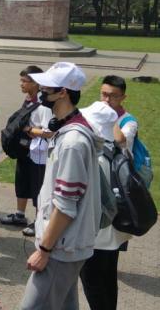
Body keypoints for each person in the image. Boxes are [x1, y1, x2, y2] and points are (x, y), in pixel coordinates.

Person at [20, 62, 102, 310]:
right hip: (66, 244)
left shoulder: (72, 143)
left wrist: (44, 249)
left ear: (63, 92)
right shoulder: (69, 131)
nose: (41, 90)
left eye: (46, 86)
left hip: (60, 248)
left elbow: (66, 205)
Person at [78, 91, 133, 310]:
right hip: (114, 233)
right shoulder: (117, 150)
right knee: (108, 281)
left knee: (94, 285)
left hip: (96, 235)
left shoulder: (96, 157)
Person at [0, 66, 53, 237]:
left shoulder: (44, 105)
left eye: (25, 81)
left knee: (38, 187)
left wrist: (28, 129)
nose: (21, 84)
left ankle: (39, 221)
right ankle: (20, 215)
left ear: (37, 83)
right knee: (22, 182)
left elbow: (49, 132)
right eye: (21, 80)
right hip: (26, 150)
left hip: (39, 154)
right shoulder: (29, 99)